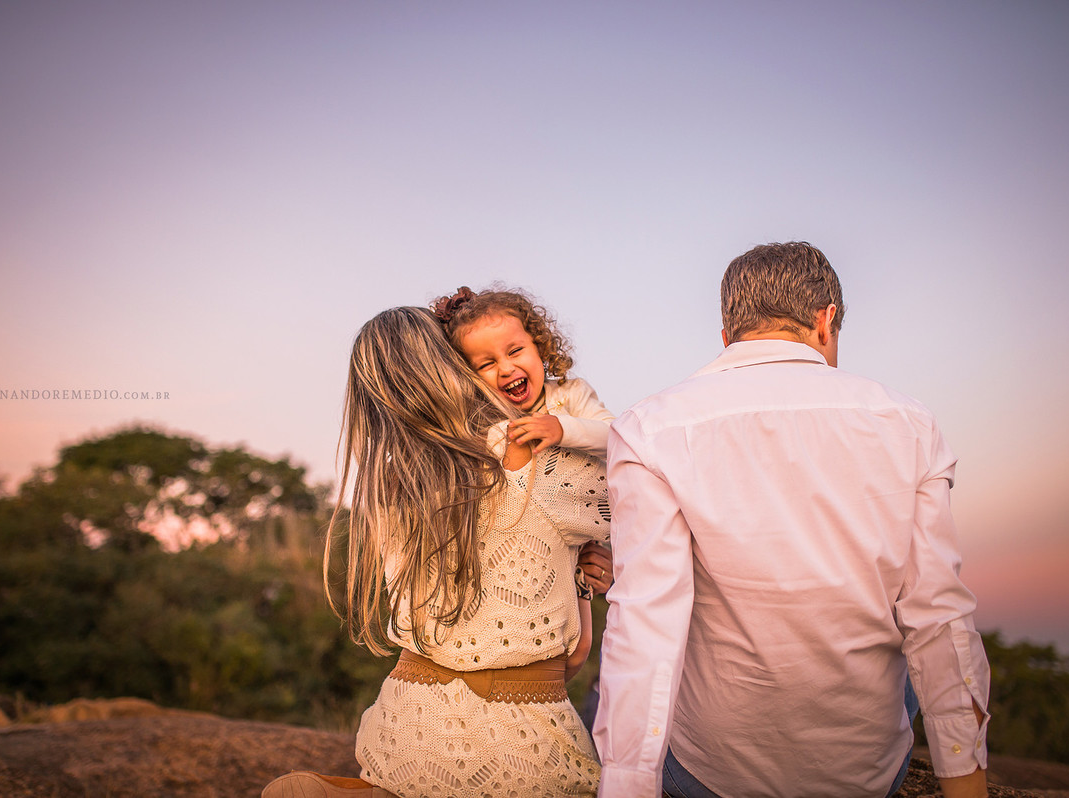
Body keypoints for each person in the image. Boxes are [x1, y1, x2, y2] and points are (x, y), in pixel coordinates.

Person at [594, 242, 991, 798]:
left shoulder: (649, 427)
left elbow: (646, 621)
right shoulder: (909, 421)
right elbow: (938, 616)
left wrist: (628, 782)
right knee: (906, 649)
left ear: (728, 336)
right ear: (826, 320)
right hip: (865, 771)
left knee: (620, 678)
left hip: (712, 770)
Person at [262, 307, 611, 798]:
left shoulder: (390, 484)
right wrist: (588, 574)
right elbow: (642, 502)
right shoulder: (537, 458)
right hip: (523, 739)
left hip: (403, 729)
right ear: (456, 367)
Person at [430, 285, 615, 679]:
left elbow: (618, 436)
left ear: (540, 346)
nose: (506, 368)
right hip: (526, 552)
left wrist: (562, 428)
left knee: (580, 646)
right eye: (486, 364)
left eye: (515, 351)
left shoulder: (569, 396)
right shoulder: (481, 423)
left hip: (580, 536)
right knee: (543, 644)